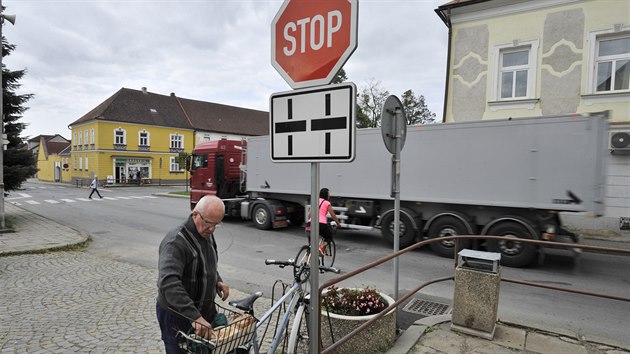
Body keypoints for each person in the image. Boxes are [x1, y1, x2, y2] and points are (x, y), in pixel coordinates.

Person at [156, 195, 230, 353]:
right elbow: (168, 283)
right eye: (209, 223)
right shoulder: (176, 242)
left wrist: (217, 280)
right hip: (177, 315)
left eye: (217, 224)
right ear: (195, 214)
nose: (212, 229)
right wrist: (195, 318)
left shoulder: (206, 232)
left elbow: (207, 263)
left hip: (203, 312)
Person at [306, 188, 341, 254]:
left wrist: (310, 221)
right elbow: (333, 215)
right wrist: (338, 224)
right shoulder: (326, 203)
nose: (329, 195)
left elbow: (309, 214)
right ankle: (321, 247)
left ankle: (305, 261)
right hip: (320, 224)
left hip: (309, 224)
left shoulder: (315, 201)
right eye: (329, 194)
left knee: (311, 245)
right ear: (326, 195)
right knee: (329, 237)